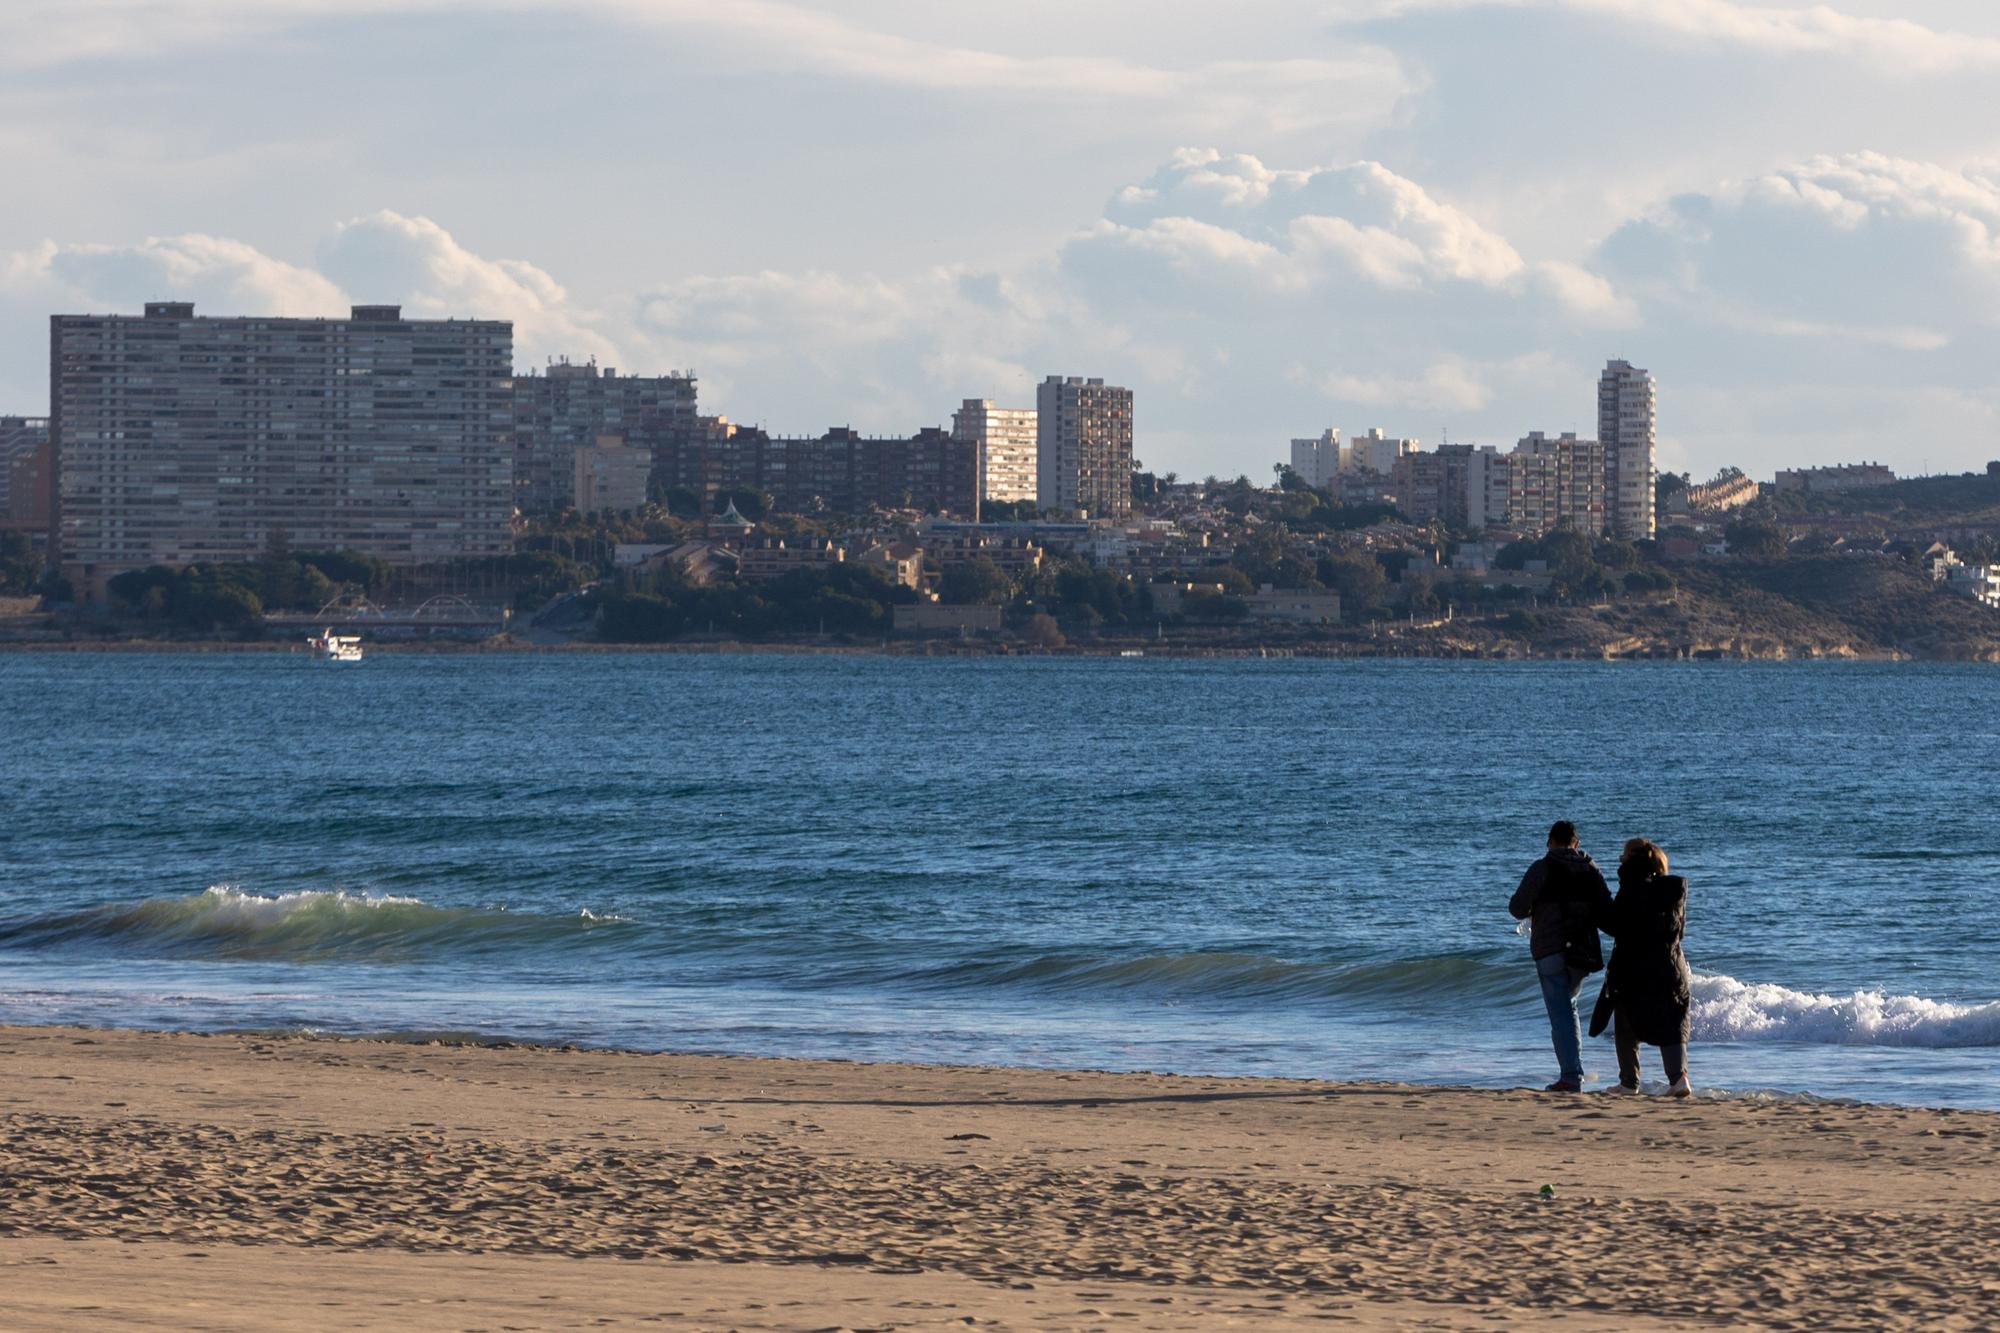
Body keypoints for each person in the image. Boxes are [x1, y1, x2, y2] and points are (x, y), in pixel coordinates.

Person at [1509, 820, 1613, 1092]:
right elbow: (1607, 912)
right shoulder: (1591, 868)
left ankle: (1570, 1076)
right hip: (1582, 951)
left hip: (1550, 947)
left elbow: (1517, 908)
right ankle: (1572, 1071)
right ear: (1576, 843)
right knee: (1571, 1008)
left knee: (1561, 1014)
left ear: (1551, 841)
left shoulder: (1542, 867)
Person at [1596, 838, 1693, 1098]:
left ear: (1629, 861)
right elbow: (1679, 932)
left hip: (1636, 967)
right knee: (1673, 1021)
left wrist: (1597, 901)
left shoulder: (1631, 888)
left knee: (1627, 1021)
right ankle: (1679, 1078)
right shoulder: (1672, 891)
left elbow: (1615, 925)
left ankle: (1629, 1083)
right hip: (1673, 967)